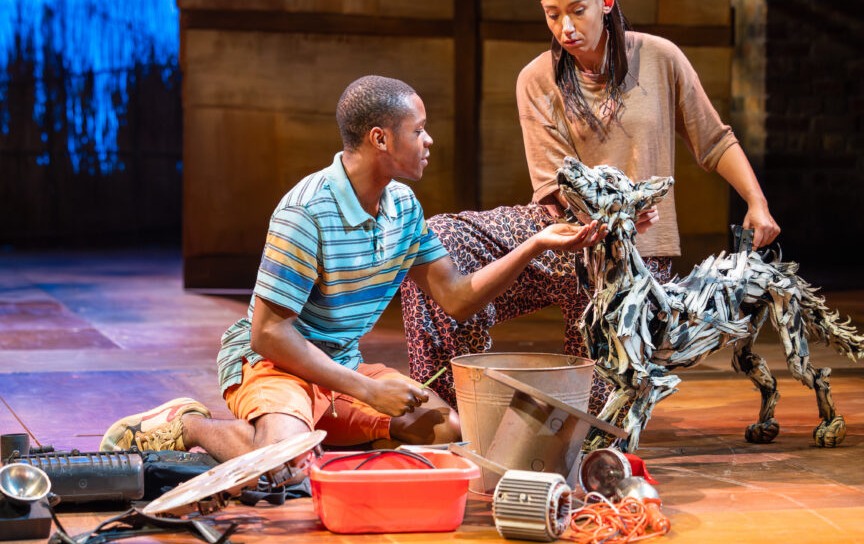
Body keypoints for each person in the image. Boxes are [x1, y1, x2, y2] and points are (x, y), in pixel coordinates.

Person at [100, 75, 604, 463]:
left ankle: (301, 435)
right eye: (418, 130)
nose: (428, 141)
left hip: (338, 366)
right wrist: (367, 390)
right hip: (272, 365)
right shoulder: (306, 211)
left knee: (445, 430)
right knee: (284, 462)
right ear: (381, 139)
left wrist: (535, 245)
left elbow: (456, 297)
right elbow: (268, 334)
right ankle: (190, 425)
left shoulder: (403, 206)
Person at [400, 0, 780, 412]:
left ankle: (586, 403)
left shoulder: (660, 58)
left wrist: (756, 203)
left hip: (634, 257)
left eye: (577, 11)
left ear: (606, 2)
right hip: (562, 235)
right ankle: (447, 405)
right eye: (552, 15)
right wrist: (613, 216)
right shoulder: (537, 78)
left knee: (594, 415)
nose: (566, 27)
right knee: (438, 241)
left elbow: (714, 140)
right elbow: (554, 183)